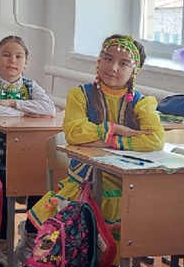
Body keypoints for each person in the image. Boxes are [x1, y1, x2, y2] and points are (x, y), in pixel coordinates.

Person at [32, 34, 165, 247]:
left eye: (123, 63)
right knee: (73, 235)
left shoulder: (142, 103)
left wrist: (107, 142)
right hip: (86, 179)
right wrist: (114, 129)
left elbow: (155, 140)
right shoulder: (80, 95)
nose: (112, 67)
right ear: (99, 60)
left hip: (126, 182)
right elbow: (74, 133)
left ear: (135, 71)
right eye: (108, 58)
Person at [0, 34, 57, 267]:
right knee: (1, 184)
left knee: (41, 182)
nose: (12, 61)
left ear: (26, 62)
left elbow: (49, 110)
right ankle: (1, 242)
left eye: (19, 56)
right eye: (6, 55)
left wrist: (10, 103)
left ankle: (30, 236)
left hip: (27, 152)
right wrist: (29, 112)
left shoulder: (31, 86)